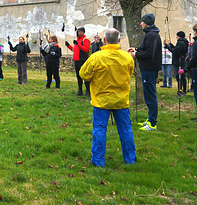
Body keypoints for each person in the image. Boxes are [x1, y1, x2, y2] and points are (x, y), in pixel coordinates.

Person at [79, 28, 136, 167]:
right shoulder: (127, 57)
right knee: (125, 129)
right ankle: (130, 159)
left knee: (99, 129)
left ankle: (98, 161)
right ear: (119, 40)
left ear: (104, 40)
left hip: (101, 100)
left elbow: (84, 74)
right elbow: (130, 73)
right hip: (121, 100)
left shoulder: (97, 57)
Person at [128, 13, 162, 132]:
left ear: (147, 23)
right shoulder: (150, 34)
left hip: (149, 69)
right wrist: (136, 49)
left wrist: (135, 55)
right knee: (149, 95)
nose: (141, 23)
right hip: (148, 68)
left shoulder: (152, 36)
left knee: (150, 96)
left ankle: (152, 123)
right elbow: (146, 49)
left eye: (143, 21)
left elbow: (149, 54)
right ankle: (150, 119)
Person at [66, 27, 91, 96]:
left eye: (80, 31)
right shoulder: (77, 40)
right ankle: (80, 91)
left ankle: (88, 91)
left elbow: (86, 50)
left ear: (83, 32)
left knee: (85, 76)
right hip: (76, 60)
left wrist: (78, 44)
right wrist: (69, 46)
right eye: (78, 31)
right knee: (78, 77)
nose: (78, 33)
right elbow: (75, 50)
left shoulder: (85, 40)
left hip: (82, 60)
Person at [165, 31, 189, 96]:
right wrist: (171, 45)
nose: (176, 37)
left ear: (179, 36)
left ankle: (180, 91)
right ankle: (184, 90)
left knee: (179, 77)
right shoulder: (184, 42)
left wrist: (168, 47)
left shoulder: (181, 43)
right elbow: (176, 49)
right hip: (181, 61)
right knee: (182, 77)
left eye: (177, 36)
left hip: (178, 62)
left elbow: (175, 51)